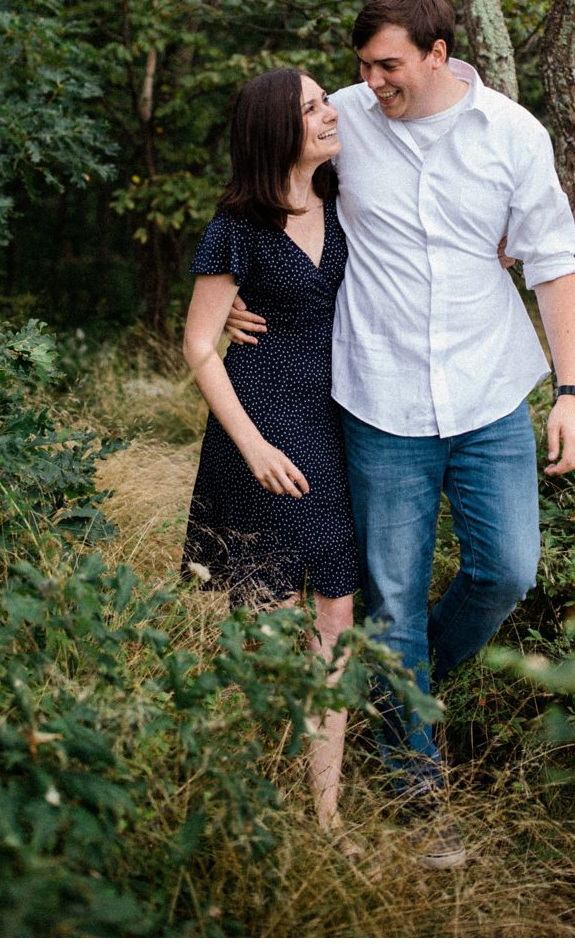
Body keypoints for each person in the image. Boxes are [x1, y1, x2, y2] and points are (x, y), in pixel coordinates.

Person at [230, 0, 575, 871]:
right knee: (388, 597)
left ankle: (395, 688)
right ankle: (415, 787)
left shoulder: (513, 134)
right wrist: (233, 292)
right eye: (362, 65)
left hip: (489, 392)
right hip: (380, 395)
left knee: (507, 570)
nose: (371, 80)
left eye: (388, 64)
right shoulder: (344, 118)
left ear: (437, 53)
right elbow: (268, 188)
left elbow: (552, 265)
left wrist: (574, 393)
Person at [181, 66, 356, 835]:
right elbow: (196, 343)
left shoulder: (346, 198)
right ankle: (263, 796)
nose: (329, 113)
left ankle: (325, 815)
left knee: (336, 613)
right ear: (275, 132)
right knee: (272, 624)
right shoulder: (238, 227)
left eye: (324, 101)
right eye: (312, 107)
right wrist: (249, 444)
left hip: (333, 426)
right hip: (258, 430)